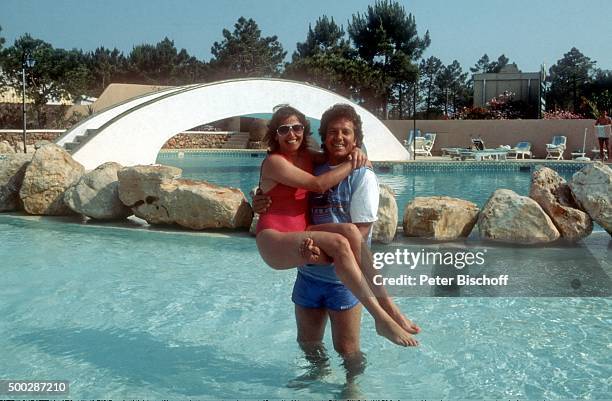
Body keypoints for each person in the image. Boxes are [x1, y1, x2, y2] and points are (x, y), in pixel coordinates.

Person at [255, 105, 418, 348]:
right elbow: (319, 185)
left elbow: (336, 153)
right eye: (284, 129)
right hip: (274, 237)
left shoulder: (307, 156)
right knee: (341, 242)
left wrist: (359, 153)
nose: (291, 134)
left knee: (351, 232)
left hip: (303, 234)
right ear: (275, 134)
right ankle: (381, 319)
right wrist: (354, 163)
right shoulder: (275, 162)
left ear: (305, 131)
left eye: (297, 128)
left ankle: (390, 307)